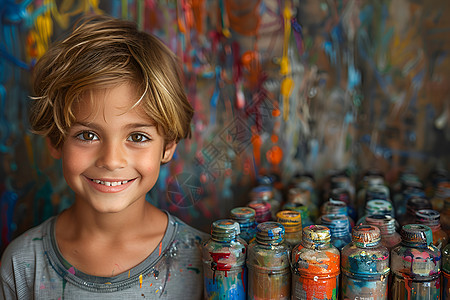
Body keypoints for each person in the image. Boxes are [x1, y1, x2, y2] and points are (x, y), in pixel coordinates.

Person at [0, 14, 208, 299]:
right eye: (88, 135)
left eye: (137, 137)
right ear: (55, 139)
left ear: (168, 145)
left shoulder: (209, 262)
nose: (111, 160)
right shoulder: (24, 265)